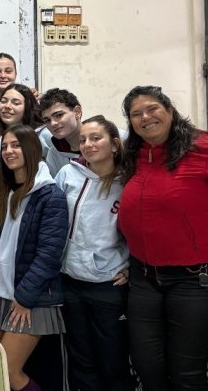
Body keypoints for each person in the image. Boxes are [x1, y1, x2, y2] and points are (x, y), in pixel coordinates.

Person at [117, 85, 208, 390]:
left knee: (188, 373)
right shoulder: (134, 153)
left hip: (192, 281)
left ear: (169, 111)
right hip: (143, 279)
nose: (145, 117)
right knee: (147, 366)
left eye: (153, 108)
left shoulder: (201, 147)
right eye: (136, 114)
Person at [0, 124, 68, 391]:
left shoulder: (50, 195)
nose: (9, 151)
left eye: (16, 145)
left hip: (30, 299)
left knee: (9, 372)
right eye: (4, 146)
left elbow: (49, 255)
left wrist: (24, 299)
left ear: (32, 149)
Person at [56, 115, 134, 391]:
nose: (88, 144)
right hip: (71, 283)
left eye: (96, 138)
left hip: (109, 286)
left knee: (113, 360)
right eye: (83, 140)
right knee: (81, 360)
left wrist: (132, 268)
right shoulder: (68, 174)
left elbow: (142, 231)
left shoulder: (129, 183)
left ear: (114, 144)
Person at [39, 88, 83, 176]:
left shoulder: (108, 137)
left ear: (77, 112)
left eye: (59, 115)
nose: (53, 123)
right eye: (47, 120)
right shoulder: (54, 153)